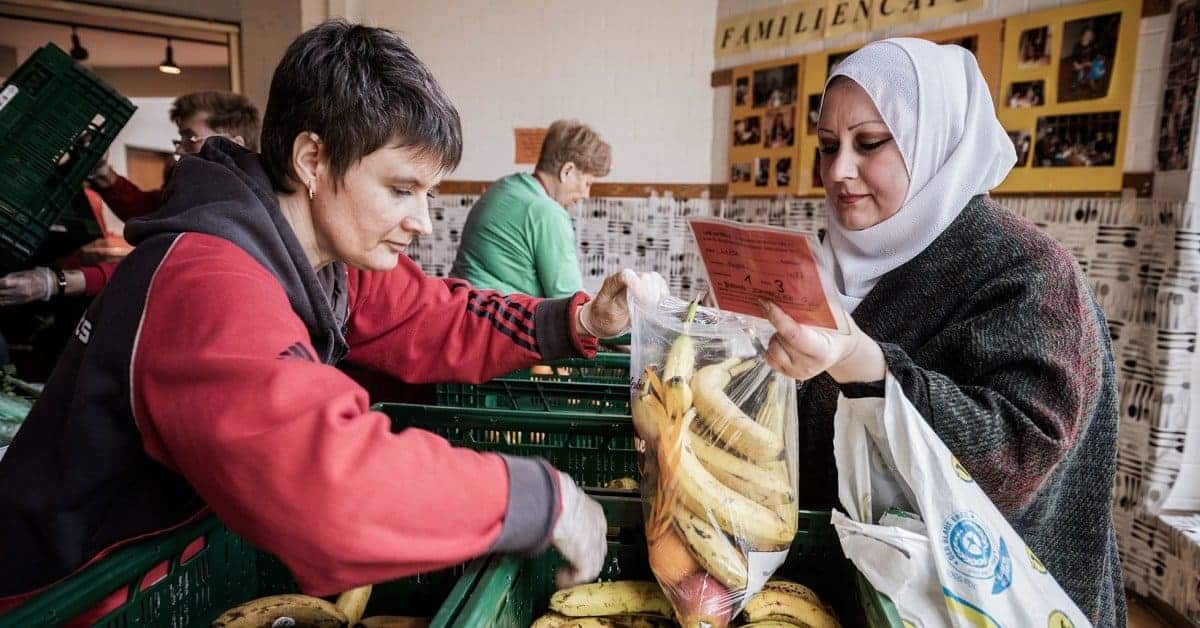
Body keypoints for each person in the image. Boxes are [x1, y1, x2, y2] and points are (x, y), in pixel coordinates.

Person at [0, 21, 667, 610]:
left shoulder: (331, 262)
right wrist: (533, 497)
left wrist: (582, 322)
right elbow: (326, 484)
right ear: (313, 159)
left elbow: (436, 318)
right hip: (68, 595)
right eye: (402, 189)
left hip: (163, 566)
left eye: (428, 193)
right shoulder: (208, 280)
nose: (422, 222)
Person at [758, 39, 1123, 625]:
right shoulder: (830, 263)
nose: (839, 170)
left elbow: (1018, 454)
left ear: (937, 143)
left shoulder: (1026, 271)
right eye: (827, 147)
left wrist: (867, 366)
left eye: (870, 143)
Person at [0, 91, 261, 306]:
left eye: (189, 139)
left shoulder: (230, 213)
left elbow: (154, 268)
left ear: (234, 145)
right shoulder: (195, 198)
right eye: (179, 139)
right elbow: (148, 208)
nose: (179, 152)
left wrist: (55, 283)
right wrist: (103, 174)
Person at [450, 119, 610, 298]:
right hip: (495, 320)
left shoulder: (503, 187)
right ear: (567, 171)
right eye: (587, 183)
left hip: (461, 306)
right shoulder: (548, 213)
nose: (586, 195)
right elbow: (570, 301)